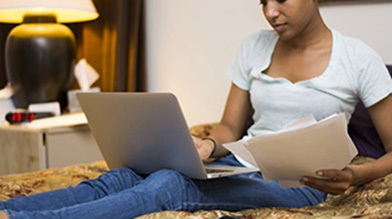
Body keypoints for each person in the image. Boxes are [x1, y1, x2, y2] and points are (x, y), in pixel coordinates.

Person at [1, 0, 392, 218]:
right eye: (262, 1)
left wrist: (356, 176)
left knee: (169, 185)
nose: (270, 12)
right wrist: (206, 147)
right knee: (124, 175)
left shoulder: (357, 58)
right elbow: (228, 127)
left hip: (303, 183)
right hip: (244, 162)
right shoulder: (254, 47)